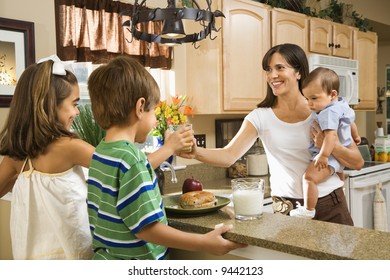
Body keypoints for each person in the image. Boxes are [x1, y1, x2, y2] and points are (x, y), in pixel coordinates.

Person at [0, 55, 191, 259]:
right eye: (73, 104)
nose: (77, 112)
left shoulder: (16, 157)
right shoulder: (70, 147)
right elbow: (123, 168)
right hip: (73, 258)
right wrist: (169, 148)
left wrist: (28, 186)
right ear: (50, 105)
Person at [180, 43, 364, 225]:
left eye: (280, 67)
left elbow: (357, 162)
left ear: (299, 72)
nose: (272, 75)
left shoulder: (324, 112)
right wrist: (197, 153)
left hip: (329, 204)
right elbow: (229, 155)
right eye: (268, 69)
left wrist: (331, 145)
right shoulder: (260, 117)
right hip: (285, 209)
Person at [86, 55, 246, 260]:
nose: (155, 120)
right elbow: (147, 228)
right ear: (140, 107)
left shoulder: (102, 151)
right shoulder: (131, 159)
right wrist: (204, 243)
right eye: (154, 110)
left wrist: (169, 147)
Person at [289, 67, 361, 219]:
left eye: (314, 98)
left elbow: (330, 136)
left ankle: (308, 210)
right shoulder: (341, 103)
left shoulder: (328, 112)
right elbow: (350, 120)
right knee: (339, 180)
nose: (310, 104)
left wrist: (323, 155)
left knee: (309, 178)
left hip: (330, 157)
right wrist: (355, 136)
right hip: (339, 159)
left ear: (332, 94)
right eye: (307, 99)